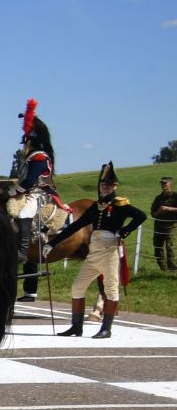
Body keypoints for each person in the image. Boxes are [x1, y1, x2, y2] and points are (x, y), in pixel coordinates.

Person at [51, 162, 146, 339]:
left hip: (109, 252)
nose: (105, 187)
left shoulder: (120, 205)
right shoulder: (96, 207)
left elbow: (141, 216)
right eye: (103, 185)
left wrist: (124, 231)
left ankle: (106, 328)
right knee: (77, 287)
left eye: (108, 185)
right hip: (94, 252)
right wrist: (52, 243)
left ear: (114, 187)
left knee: (111, 289)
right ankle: (76, 327)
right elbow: (76, 226)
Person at [9, 104, 58, 301]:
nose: (24, 144)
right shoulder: (31, 157)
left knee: (24, 213)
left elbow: (29, 182)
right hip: (30, 192)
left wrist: (12, 192)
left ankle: (22, 252)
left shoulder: (39, 157)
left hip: (39, 193)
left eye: (25, 141)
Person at [151, 175, 177, 273]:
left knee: (170, 248)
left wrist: (168, 208)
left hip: (171, 227)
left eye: (165, 183)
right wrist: (159, 211)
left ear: (171, 184)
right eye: (162, 183)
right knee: (158, 248)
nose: (163, 185)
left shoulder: (175, 196)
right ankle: (163, 269)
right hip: (158, 226)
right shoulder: (158, 198)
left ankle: (173, 270)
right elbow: (153, 213)